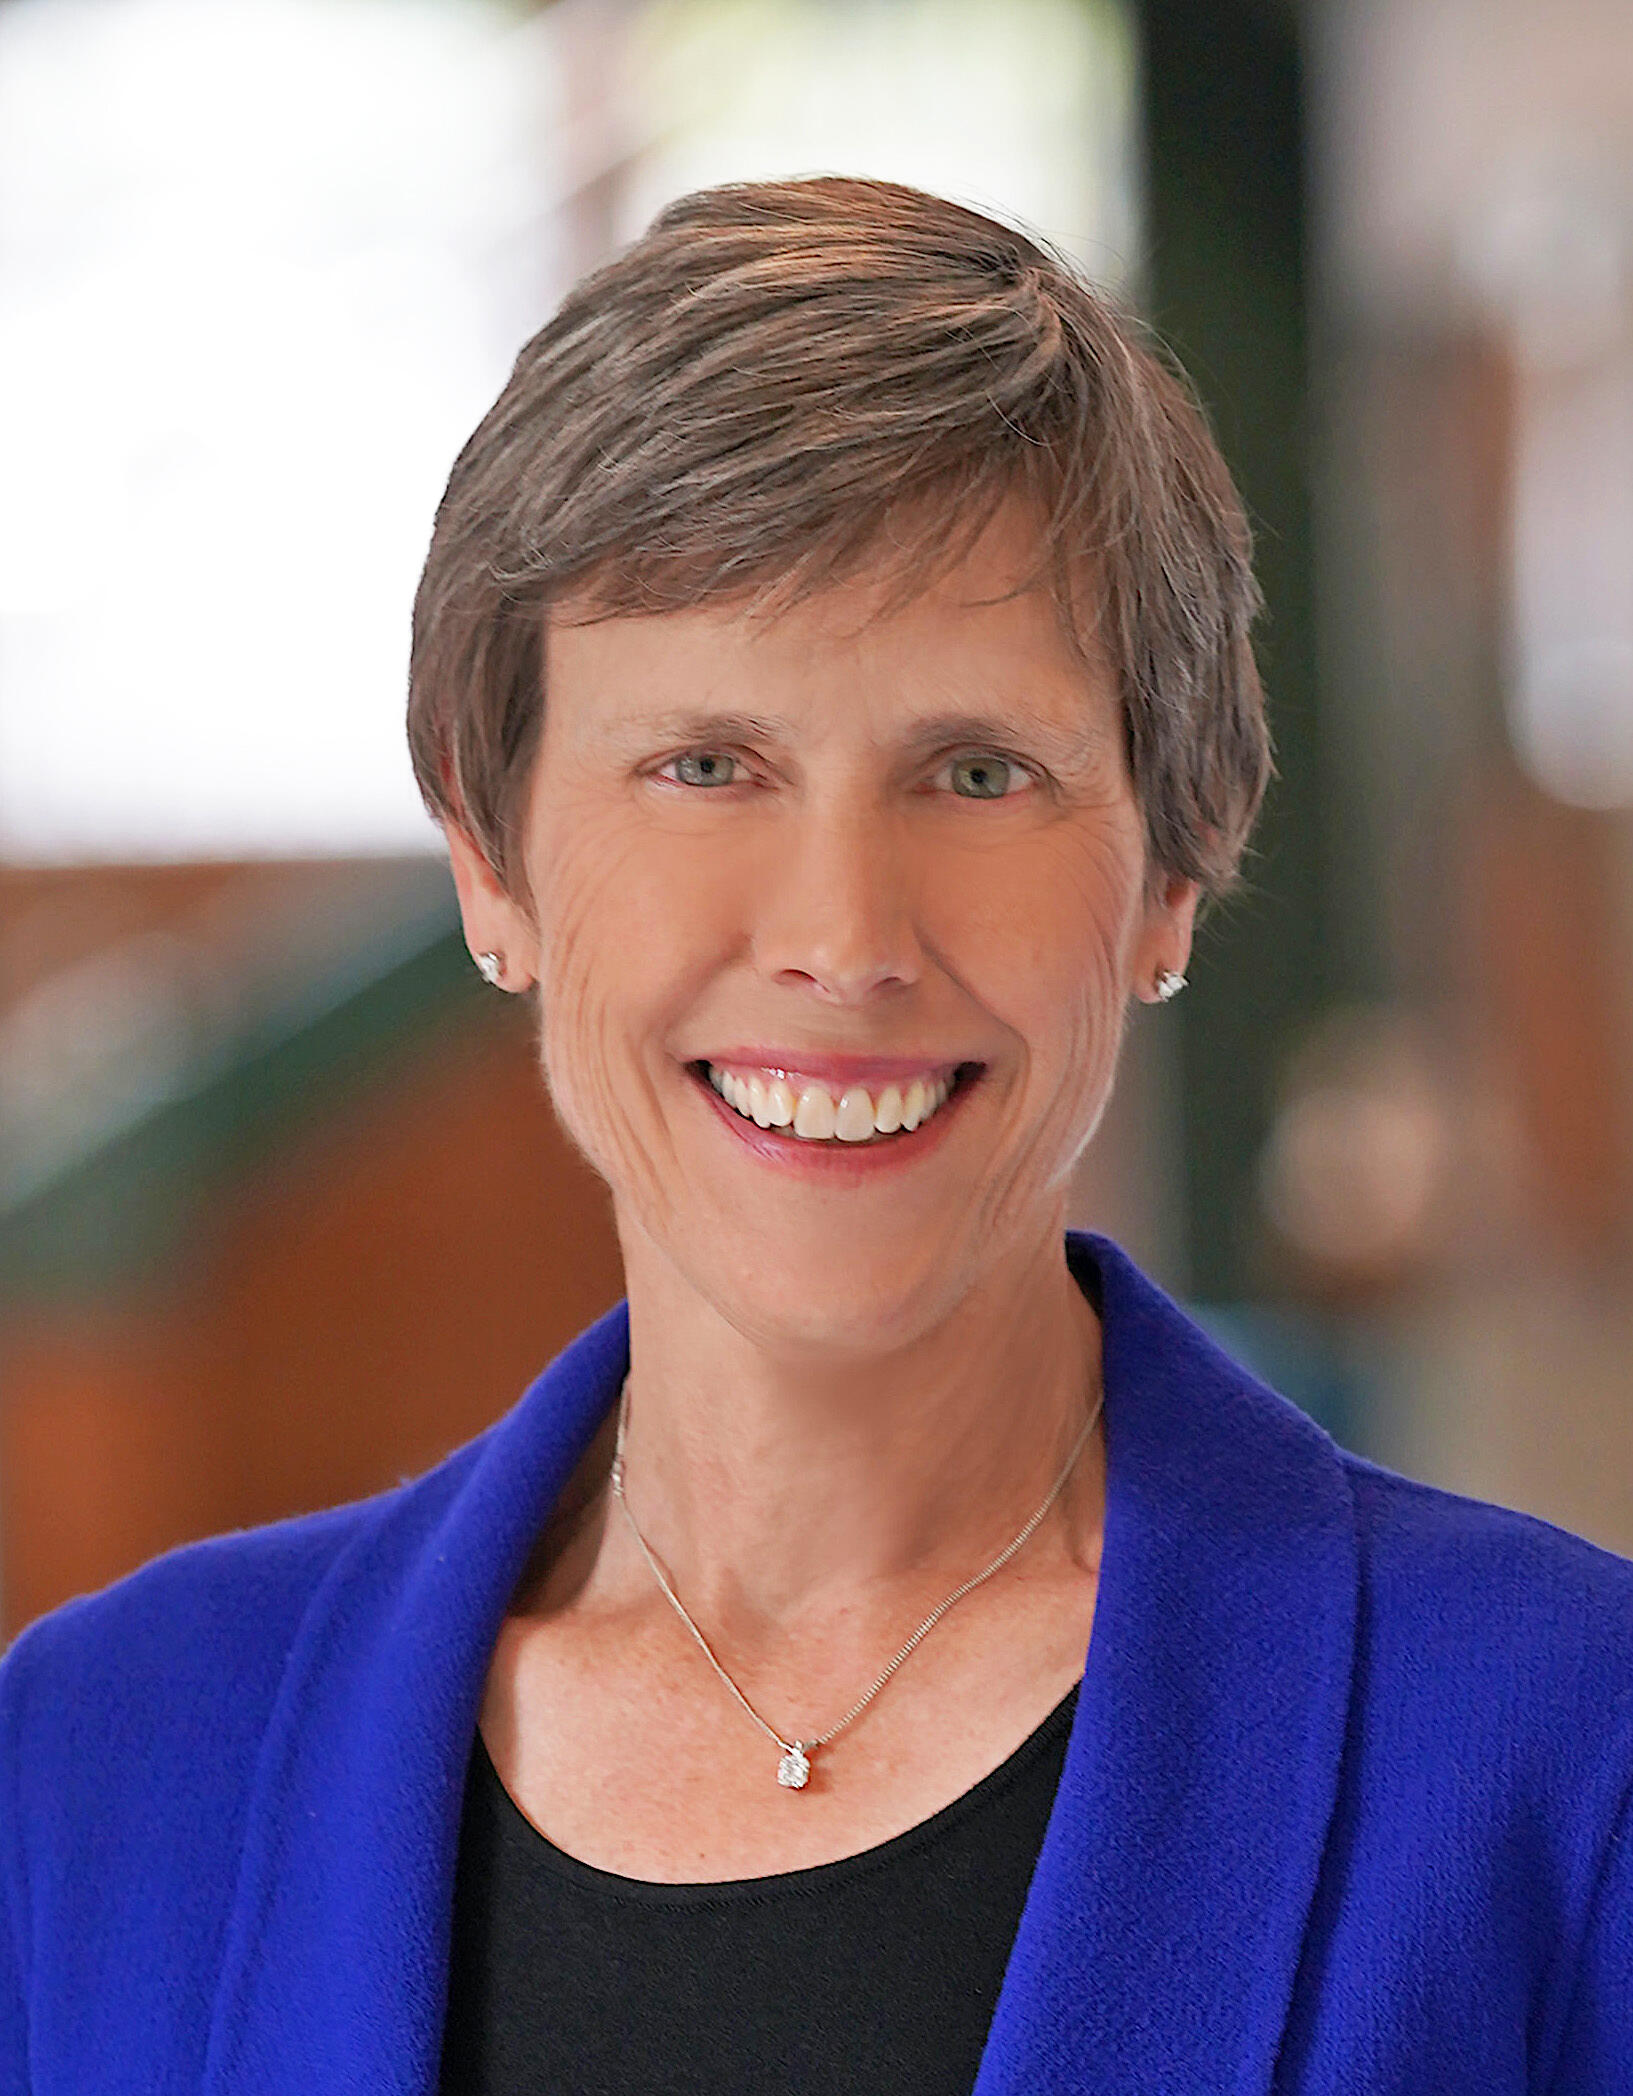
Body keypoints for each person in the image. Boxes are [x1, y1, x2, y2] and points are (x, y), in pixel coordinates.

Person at [1, 177, 1629, 2096]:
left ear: (1170, 870)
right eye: (707, 765)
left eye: (976, 771)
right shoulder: (91, 1769)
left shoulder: (1560, 1756)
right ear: (490, 854)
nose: (844, 938)